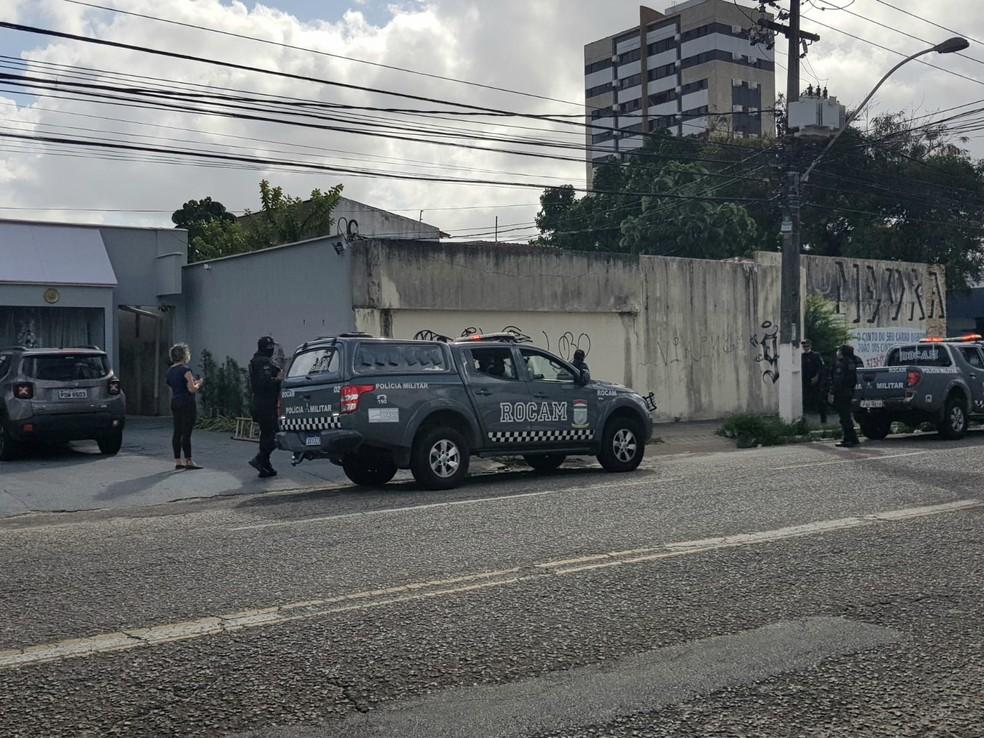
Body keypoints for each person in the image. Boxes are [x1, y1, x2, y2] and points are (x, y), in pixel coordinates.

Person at [248, 336, 284, 478]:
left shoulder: (257, 361)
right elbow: (265, 383)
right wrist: (278, 379)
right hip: (266, 403)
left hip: (260, 402)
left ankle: (265, 465)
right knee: (274, 433)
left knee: (266, 434)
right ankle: (260, 459)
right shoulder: (262, 362)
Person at [166, 343, 204, 470]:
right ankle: (189, 460)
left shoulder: (170, 371)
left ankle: (178, 460)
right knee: (186, 432)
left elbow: (172, 385)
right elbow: (191, 389)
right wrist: (198, 383)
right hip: (186, 402)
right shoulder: (186, 370)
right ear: (184, 355)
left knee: (177, 431)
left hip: (175, 401)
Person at [829, 344, 860, 448]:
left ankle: (848, 439)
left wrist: (832, 392)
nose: (837, 352)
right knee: (846, 416)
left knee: (844, 417)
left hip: (841, 393)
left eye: (838, 350)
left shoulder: (841, 364)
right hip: (849, 392)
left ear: (842, 352)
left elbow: (838, 381)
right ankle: (853, 438)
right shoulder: (851, 363)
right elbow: (854, 380)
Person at [800, 340, 827, 424]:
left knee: (820, 400)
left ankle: (823, 420)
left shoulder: (816, 355)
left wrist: (817, 376)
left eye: (807, 346)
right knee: (805, 401)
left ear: (810, 346)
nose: (805, 348)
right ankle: (804, 420)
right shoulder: (801, 356)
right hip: (805, 381)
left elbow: (821, 367)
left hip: (816, 382)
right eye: (804, 346)